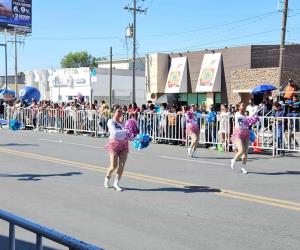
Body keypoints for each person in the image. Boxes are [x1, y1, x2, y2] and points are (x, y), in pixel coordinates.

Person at [104, 105, 129, 191]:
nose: (120, 113)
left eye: (121, 111)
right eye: (118, 111)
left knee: (122, 165)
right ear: (114, 112)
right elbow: (115, 133)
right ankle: (107, 179)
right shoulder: (110, 121)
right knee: (113, 166)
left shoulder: (124, 123)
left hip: (124, 145)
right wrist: (126, 131)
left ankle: (116, 183)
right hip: (114, 145)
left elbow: (128, 135)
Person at [230, 102, 250, 174]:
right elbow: (240, 120)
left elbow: (247, 123)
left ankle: (243, 167)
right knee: (241, 150)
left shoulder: (246, 114)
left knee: (245, 153)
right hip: (239, 133)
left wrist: (251, 120)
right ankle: (233, 160)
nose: (244, 106)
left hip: (246, 132)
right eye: (242, 105)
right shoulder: (237, 114)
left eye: (245, 105)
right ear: (239, 107)